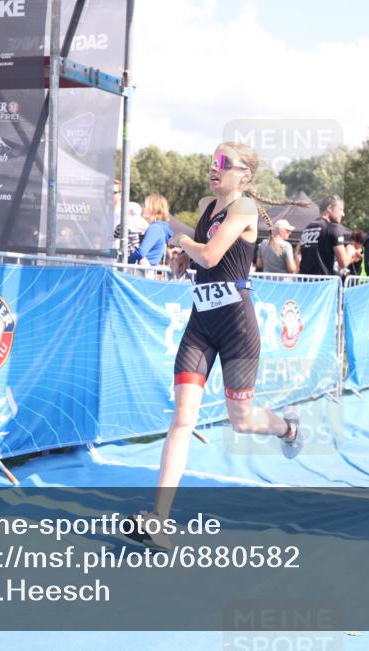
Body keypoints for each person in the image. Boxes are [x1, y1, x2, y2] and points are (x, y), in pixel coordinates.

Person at [124, 142, 307, 550]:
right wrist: (170, 224)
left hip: (236, 326)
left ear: (244, 175)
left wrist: (182, 247)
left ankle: (287, 427)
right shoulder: (210, 203)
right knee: (182, 418)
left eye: (224, 163)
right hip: (200, 325)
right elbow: (196, 236)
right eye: (213, 159)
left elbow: (208, 254)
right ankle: (159, 519)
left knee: (241, 420)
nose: (214, 166)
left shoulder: (244, 210)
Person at [298, 195, 350, 276]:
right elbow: (343, 262)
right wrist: (352, 253)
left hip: (304, 282)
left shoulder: (307, 228)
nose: (343, 214)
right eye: (340, 210)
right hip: (323, 284)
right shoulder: (333, 228)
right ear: (329, 208)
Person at [129, 195, 171, 266]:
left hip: (142, 271)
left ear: (153, 209)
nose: (142, 208)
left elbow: (141, 252)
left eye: (145, 206)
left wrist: (127, 260)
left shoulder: (155, 228)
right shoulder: (159, 228)